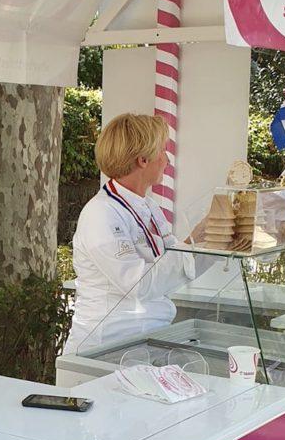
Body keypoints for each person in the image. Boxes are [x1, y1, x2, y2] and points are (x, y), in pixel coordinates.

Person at [64, 113, 203, 354]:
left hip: (146, 340)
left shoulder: (149, 207)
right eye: (162, 151)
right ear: (143, 160)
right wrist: (194, 242)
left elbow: (176, 266)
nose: (167, 159)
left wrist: (216, 241)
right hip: (105, 349)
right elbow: (138, 285)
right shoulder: (101, 213)